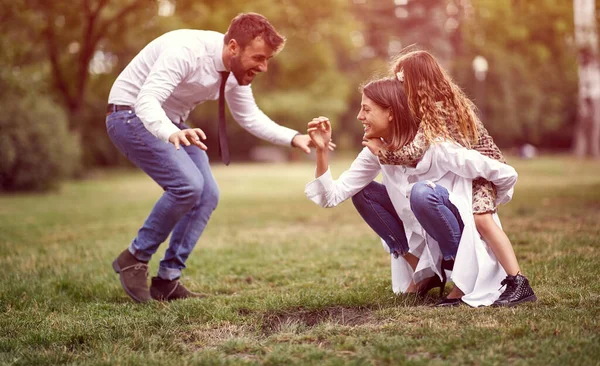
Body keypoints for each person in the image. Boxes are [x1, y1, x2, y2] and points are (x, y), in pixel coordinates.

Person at [105, 13, 329, 303]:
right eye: (259, 58)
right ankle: (134, 258)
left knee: (207, 194)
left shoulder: (236, 73)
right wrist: (168, 132)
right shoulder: (186, 51)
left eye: (267, 60)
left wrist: (292, 137)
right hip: (130, 114)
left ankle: (168, 280)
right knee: (187, 186)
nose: (262, 67)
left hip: (171, 122)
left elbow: (248, 116)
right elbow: (147, 100)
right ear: (233, 47)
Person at [305, 78, 519, 307]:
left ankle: (461, 275)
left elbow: (501, 172)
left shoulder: (435, 143)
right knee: (363, 192)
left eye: (366, 109)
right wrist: (321, 151)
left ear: (391, 112)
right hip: (419, 234)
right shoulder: (375, 150)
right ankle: (423, 270)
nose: (360, 116)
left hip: (456, 230)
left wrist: (488, 207)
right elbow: (332, 196)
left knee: (422, 193)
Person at [369, 50, 535, 307]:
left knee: (483, 221)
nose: (398, 87)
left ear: (415, 81)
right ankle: (468, 278)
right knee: (478, 223)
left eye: (401, 82)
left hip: (483, 171)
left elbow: (416, 151)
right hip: (473, 172)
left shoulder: (437, 110)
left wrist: (381, 150)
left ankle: (518, 280)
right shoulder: (442, 103)